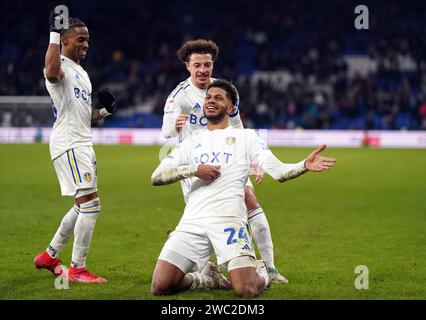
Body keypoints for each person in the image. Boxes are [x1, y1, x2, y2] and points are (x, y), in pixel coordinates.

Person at [151, 79, 336, 298]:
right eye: (208, 98)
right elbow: (157, 176)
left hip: (228, 220)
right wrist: (194, 169)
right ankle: (206, 279)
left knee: (246, 290)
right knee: (160, 286)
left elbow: (279, 172)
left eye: (218, 98)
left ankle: (263, 273)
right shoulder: (192, 141)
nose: (211, 101)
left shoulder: (247, 137)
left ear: (231, 108)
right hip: (192, 221)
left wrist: (304, 165)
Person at [162, 39, 288, 283]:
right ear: (187, 66)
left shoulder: (224, 90)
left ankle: (269, 268)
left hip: (230, 157)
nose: (203, 70)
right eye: (197, 65)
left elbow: (238, 125)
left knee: (249, 199)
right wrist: (175, 128)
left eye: (207, 64)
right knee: (206, 219)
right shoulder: (179, 97)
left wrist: (253, 160)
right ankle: (208, 269)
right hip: (198, 165)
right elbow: (166, 135)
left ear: (212, 64)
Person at [33, 8, 117, 283]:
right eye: (80, 39)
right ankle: (78, 269)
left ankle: (49, 255)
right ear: (65, 41)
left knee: (83, 206)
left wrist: (104, 111)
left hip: (82, 142)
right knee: (92, 205)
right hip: (69, 143)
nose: (86, 44)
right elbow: (52, 72)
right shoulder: (58, 66)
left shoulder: (82, 73)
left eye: (87, 40)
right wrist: (54, 34)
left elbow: (85, 115)